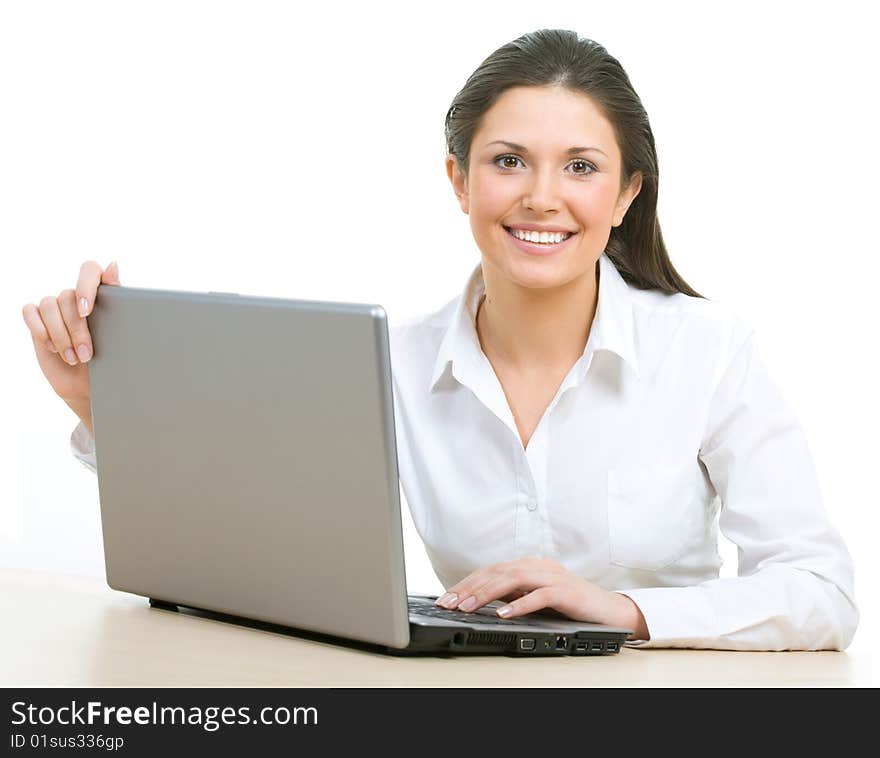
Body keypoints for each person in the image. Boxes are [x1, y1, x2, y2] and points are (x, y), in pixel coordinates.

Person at [21, 29, 858, 651]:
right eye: (506, 161)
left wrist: (629, 609)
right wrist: (104, 406)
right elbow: (243, 551)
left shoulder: (710, 351)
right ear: (458, 180)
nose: (540, 197)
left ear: (627, 193)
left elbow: (822, 594)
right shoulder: (392, 363)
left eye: (579, 167)